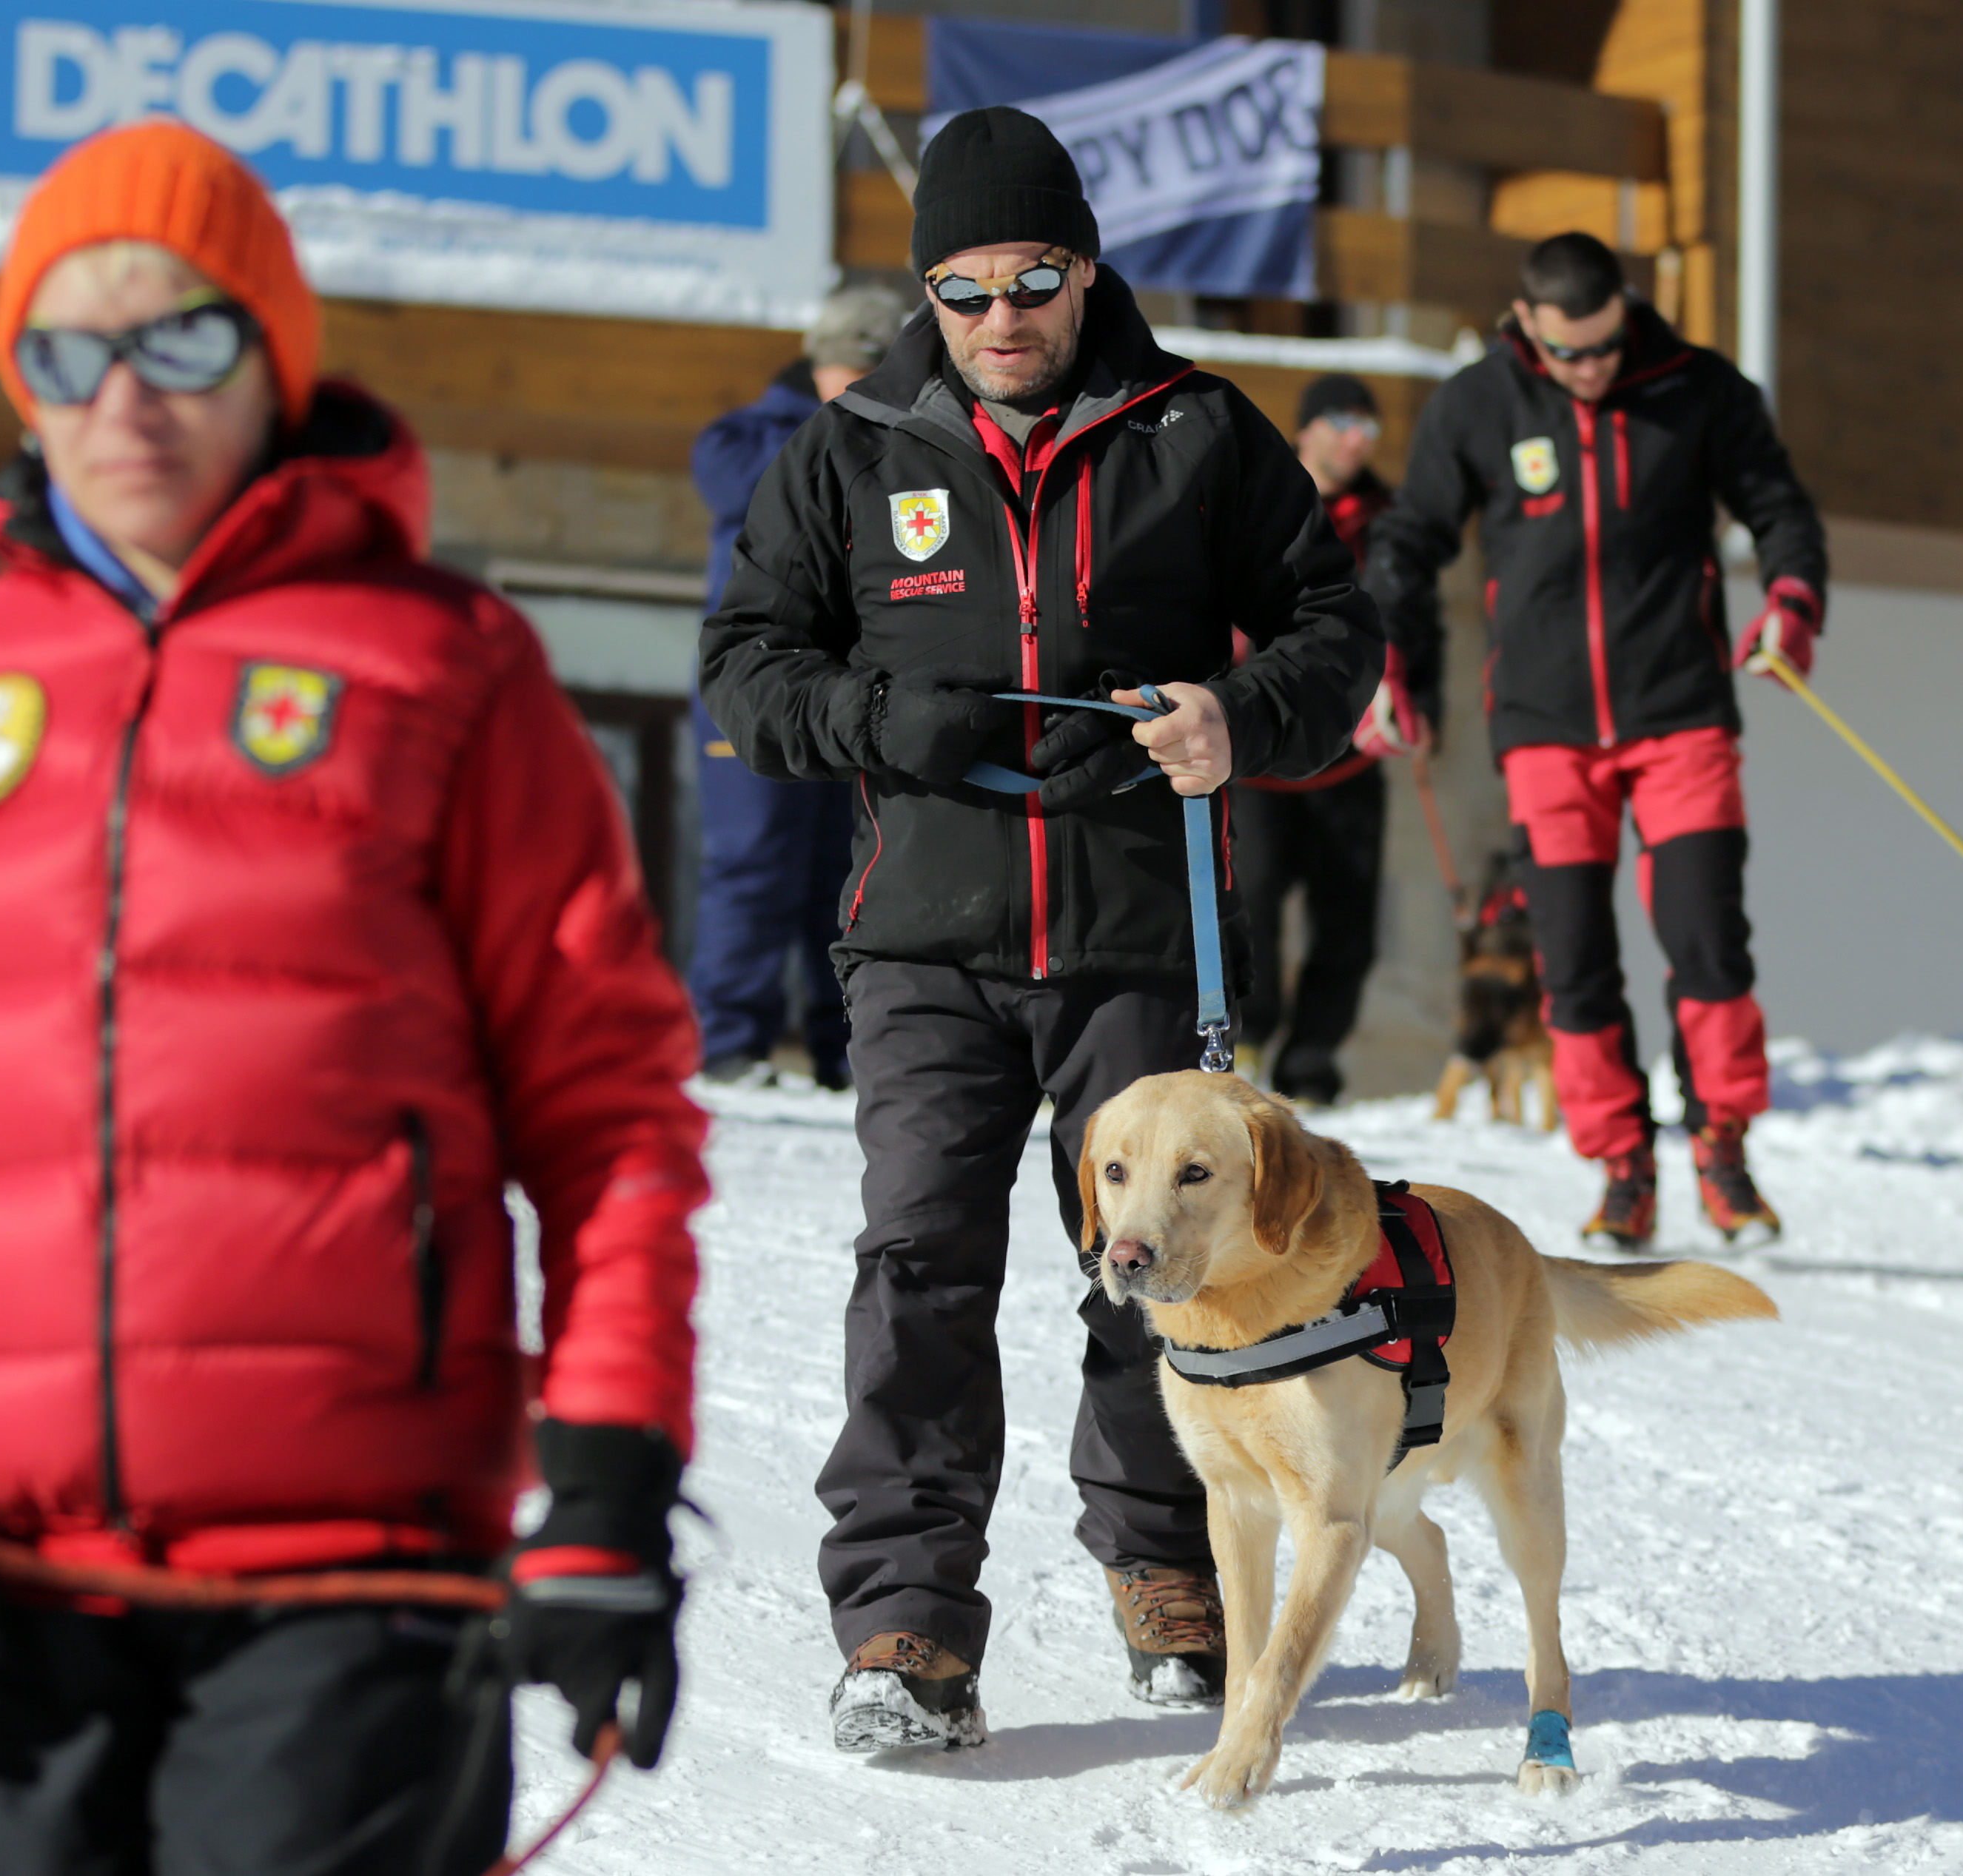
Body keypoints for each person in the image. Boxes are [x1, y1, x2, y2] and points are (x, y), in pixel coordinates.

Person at [0, 122, 707, 1874]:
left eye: (179, 336)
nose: (126, 398)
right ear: (20, 385)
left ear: (273, 352)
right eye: (66, 350)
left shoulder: (446, 672)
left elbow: (608, 1118)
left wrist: (613, 1478)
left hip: (351, 1590)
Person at [700, 105, 1382, 1750]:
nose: (1002, 317)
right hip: (925, 940)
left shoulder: (1196, 431)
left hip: (1140, 934)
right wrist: (882, 717)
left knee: (1157, 1272)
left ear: (1084, 268)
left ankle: (1166, 1570)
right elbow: (738, 665)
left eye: (1033, 278)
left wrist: (1236, 712)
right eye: (965, 287)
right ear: (923, 293)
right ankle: (904, 1622)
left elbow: (1332, 627)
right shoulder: (849, 446)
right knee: (920, 1262)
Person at [1366, 231, 1827, 1248]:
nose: (1591, 369)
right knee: (1569, 957)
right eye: (1569, 353)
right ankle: (1621, 1163)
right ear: (1525, 324)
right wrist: (1390, 661)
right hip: (1544, 728)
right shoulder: (1476, 404)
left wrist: (1792, 599)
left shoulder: (1697, 388)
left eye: (1606, 345)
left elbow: (1780, 508)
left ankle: (1721, 1146)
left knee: (1706, 938)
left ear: (1625, 310)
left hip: (1680, 713)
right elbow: (1405, 543)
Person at [686, 284, 912, 1089]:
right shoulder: (747, 438)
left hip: (844, 698)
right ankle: (728, 1044)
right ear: (827, 365)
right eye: (858, 369)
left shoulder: (889, 438)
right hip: (753, 699)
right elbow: (737, 485)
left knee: (843, 875)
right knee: (752, 864)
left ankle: (839, 1051)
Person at [1229, 372, 1430, 1106]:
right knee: (1246, 908)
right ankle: (1244, 1044)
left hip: (1349, 757)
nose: (1356, 440)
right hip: (1253, 753)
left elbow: (1416, 617)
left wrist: (1420, 699)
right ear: (1307, 428)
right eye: (1342, 421)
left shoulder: (1389, 519)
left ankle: (1310, 1070)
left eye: (1368, 428)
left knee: (1346, 922)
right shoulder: (1254, 492)